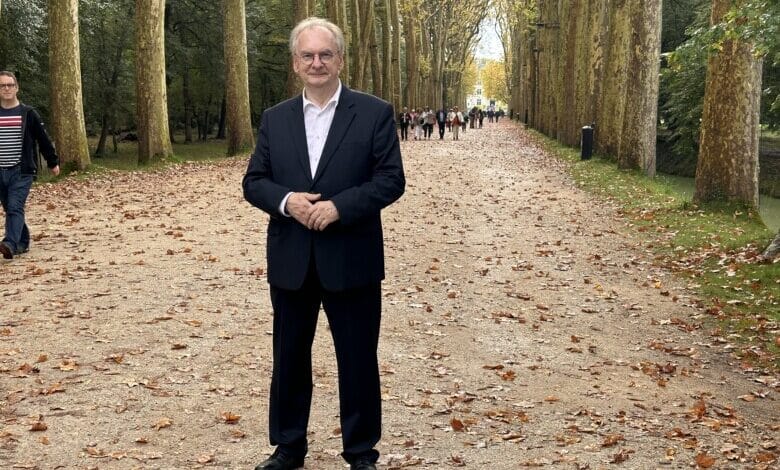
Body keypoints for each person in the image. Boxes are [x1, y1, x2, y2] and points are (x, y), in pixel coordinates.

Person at [242, 17, 405, 470]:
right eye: (308, 55)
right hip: (292, 258)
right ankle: (289, 446)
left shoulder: (374, 112)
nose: (317, 63)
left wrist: (339, 207)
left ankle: (360, 452)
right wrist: (287, 200)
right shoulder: (275, 119)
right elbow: (254, 182)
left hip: (351, 257)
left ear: (340, 60)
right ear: (296, 63)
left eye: (325, 54)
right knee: (289, 359)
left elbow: (391, 181)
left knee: (357, 360)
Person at [0, 71, 60, 260]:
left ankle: (9, 243)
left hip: (21, 170)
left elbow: (43, 139)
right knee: (10, 207)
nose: (7, 88)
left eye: (10, 85)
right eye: (3, 86)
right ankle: (22, 241)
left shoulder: (28, 113)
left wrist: (52, 162)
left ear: (17, 88)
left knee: (15, 206)